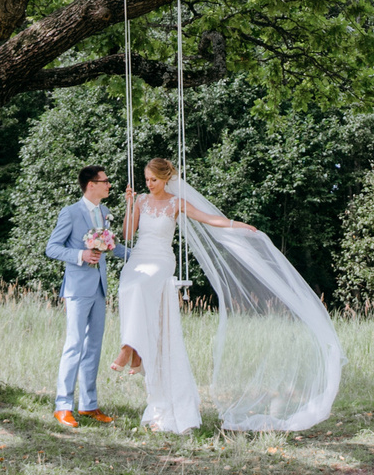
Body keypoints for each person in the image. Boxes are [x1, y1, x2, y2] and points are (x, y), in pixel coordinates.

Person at [115, 156, 259, 433]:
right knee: (129, 285)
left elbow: (207, 218)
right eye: (146, 180)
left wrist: (236, 224)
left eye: (153, 180)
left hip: (161, 260)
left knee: (142, 286)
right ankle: (135, 351)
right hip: (140, 257)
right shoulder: (142, 201)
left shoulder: (176, 203)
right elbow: (127, 233)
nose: (149, 184)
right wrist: (129, 205)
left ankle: (128, 349)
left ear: (166, 179)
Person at [44, 165, 121, 429]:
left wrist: (145, 255)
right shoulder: (71, 213)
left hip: (99, 288)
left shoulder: (104, 213)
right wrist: (81, 256)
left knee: (94, 347)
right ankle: (62, 406)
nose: (109, 185)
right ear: (91, 184)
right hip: (77, 288)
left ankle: (88, 405)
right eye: (105, 181)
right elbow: (52, 248)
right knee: (74, 344)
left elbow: (114, 247)